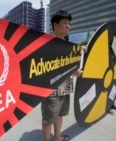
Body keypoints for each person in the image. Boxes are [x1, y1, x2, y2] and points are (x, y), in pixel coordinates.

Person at [41, 10, 85, 141]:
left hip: (66, 86)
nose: (68, 26)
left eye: (69, 23)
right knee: (49, 118)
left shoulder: (68, 44)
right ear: (55, 25)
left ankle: (57, 137)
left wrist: (83, 49)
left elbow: (71, 62)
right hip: (52, 88)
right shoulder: (47, 43)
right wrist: (73, 72)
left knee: (60, 114)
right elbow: (48, 66)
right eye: (65, 23)